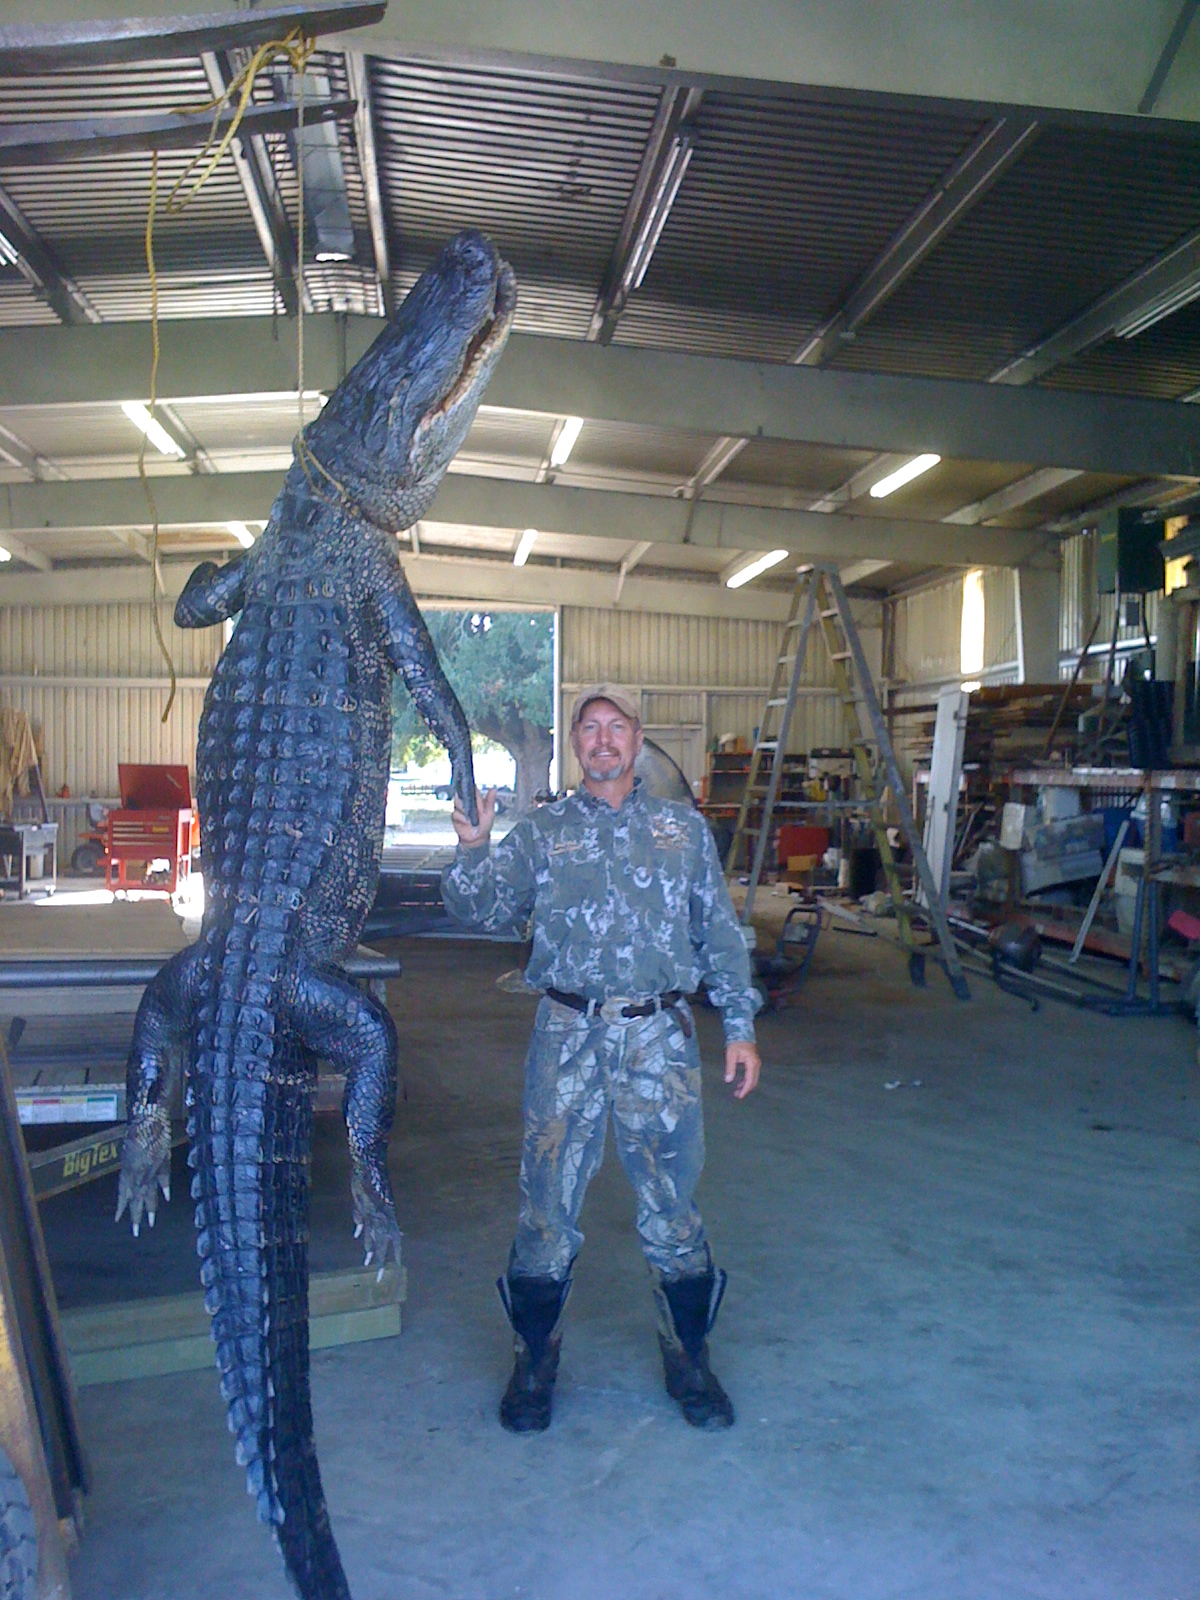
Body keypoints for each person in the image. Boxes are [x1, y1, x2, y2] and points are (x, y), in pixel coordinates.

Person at [441, 685, 762, 1435]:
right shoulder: (543, 832)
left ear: (638, 739)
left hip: (660, 1040)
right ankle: (534, 1362)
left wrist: (740, 1026)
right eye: (590, 729)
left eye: (616, 728)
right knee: (546, 1208)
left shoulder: (684, 832)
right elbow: (478, 909)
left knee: (673, 1211)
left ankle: (689, 1358)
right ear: (576, 746)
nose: (604, 740)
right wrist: (471, 848)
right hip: (567, 1036)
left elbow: (718, 934)